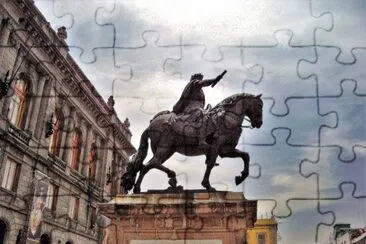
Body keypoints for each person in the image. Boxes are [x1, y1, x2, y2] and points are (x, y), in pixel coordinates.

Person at [173, 71, 226, 148]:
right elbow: (203, 83)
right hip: (192, 107)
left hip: (199, 107)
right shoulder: (194, 83)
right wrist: (214, 79)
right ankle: (201, 140)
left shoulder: (199, 89)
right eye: (200, 79)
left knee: (212, 115)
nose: (201, 80)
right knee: (203, 115)